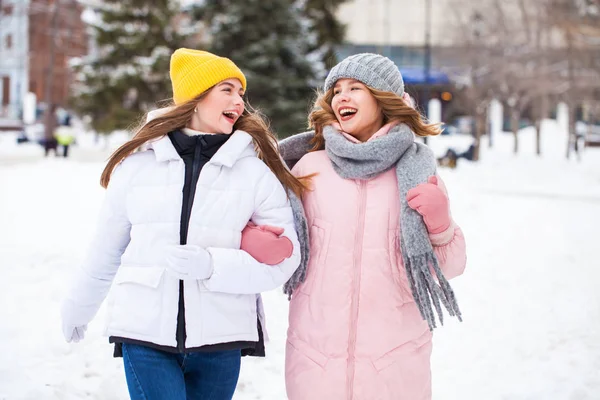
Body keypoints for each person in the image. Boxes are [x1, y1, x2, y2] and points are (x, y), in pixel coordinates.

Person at [60, 48, 305, 400]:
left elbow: (286, 259)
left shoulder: (255, 172)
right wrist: (78, 306)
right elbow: (105, 250)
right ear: (196, 97)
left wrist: (212, 265)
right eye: (227, 90)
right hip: (144, 333)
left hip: (221, 337)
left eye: (241, 93)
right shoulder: (137, 166)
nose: (239, 101)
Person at [278, 53, 467, 400]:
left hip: (394, 365)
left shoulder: (416, 169)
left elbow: (450, 266)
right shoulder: (307, 167)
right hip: (316, 362)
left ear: (383, 98)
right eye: (336, 90)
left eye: (355, 88)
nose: (342, 97)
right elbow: (280, 247)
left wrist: (441, 226)